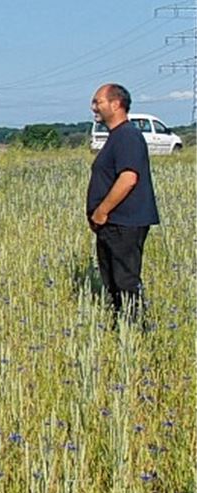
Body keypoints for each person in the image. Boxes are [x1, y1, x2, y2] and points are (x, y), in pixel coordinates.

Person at [86, 83, 159, 320]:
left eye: (98, 102)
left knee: (125, 281)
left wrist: (102, 211)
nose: (93, 107)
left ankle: (134, 330)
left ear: (116, 104)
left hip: (124, 222)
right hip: (113, 224)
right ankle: (122, 328)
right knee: (114, 281)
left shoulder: (128, 136)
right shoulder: (117, 137)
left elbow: (128, 178)